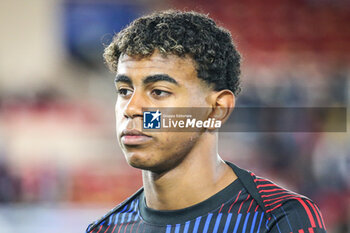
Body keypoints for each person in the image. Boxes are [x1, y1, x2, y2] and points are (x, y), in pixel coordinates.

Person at [86, 10, 326, 233]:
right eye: (125, 90)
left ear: (217, 109)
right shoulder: (106, 229)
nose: (131, 109)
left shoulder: (279, 219)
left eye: (158, 91)